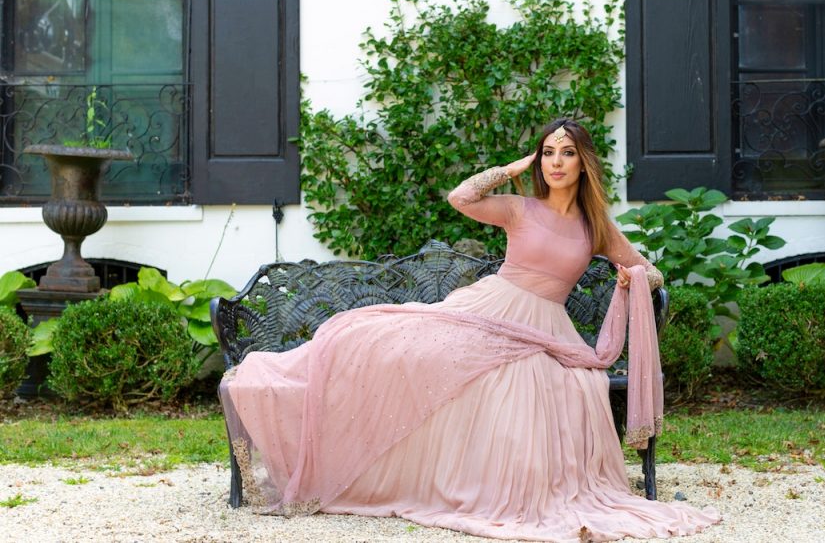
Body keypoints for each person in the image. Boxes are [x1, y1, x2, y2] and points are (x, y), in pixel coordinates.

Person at [220, 118, 721, 541]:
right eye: (548, 153)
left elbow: (646, 268)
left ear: (583, 161)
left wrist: (634, 276)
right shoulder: (520, 208)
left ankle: (492, 482)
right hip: (489, 308)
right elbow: (462, 197)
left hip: (546, 327)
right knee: (388, 346)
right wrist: (512, 169)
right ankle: (322, 429)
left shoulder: (597, 227)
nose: (556, 162)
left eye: (567, 153)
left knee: (527, 382)